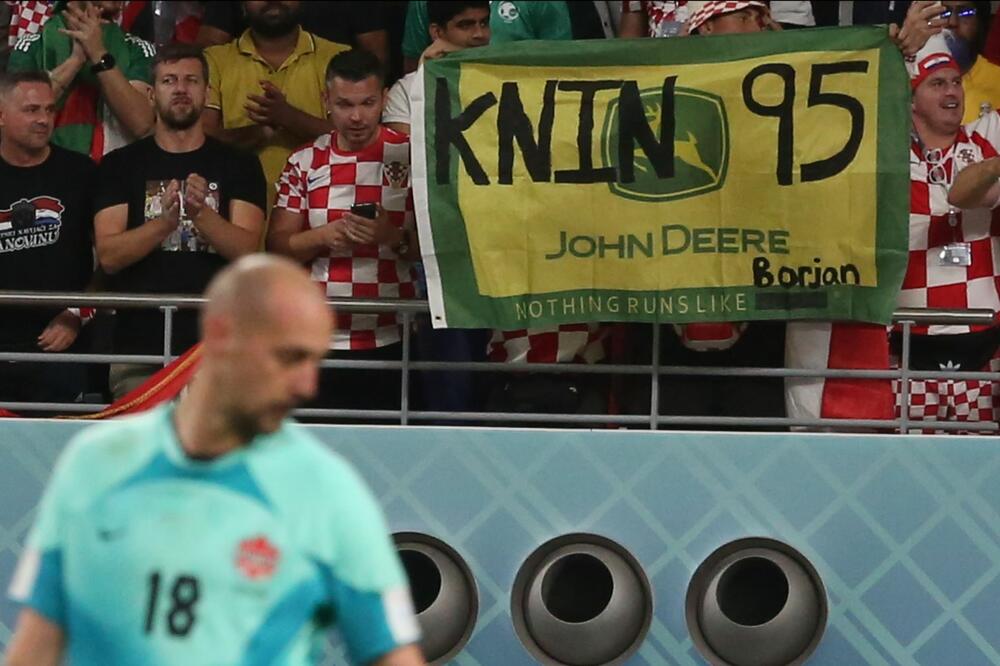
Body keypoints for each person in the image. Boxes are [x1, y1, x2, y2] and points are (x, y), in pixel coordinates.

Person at [3, 254, 426, 666]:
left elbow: (392, 652)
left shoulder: (327, 490)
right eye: (289, 357)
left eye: (315, 360)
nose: (307, 385)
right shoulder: (98, 464)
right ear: (221, 335)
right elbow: (39, 641)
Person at [94, 43, 266, 399]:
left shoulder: (240, 164)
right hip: (138, 348)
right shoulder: (119, 166)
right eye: (169, 80)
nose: (181, 89)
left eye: (191, 80)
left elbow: (248, 252)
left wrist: (202, 214)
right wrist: (165, 222)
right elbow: (109, 256)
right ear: (152, 94)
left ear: (207, 92)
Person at [268, 48, 419, 415]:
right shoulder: (304, 161)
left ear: (384, 99)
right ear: (326, 102)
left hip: (392, 337)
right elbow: (277, 248)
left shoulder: (412, 157)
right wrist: (322, 237)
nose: (356, 116)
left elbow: (438, 252)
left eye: (367, 103)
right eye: (344, 104)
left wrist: (389, 236)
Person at [894, 33, 1000, 428]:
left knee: (982, 460)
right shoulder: (887, 158)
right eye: (937, 83)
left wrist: (990, 165)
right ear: (910, 98)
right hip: (909, 335)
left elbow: (965, 194)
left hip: (984, 332)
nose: (952, 90)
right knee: (913, 460)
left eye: (956, 81)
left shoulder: (986, 143)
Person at [0, 70, 95, 404]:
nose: (43, 120)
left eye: (50, 110)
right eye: (31, 110)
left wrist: (78, 314)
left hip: (61, 344)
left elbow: (110, 259)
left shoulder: (82, 173)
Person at [203, 1, 349, 211]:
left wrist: (288, 117)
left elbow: (353, 138)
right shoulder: (213, 60)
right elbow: (199, 139)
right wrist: (258, 133)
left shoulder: (337, 58)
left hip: (322, 216)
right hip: (236, 217)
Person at [6, 1, 155, 160]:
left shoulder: (138, 49)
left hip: (113, 173)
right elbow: (18, 119)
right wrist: (75, 61)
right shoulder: (32, 45)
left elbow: (141, 124)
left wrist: (98, 53)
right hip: (45, 173)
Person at [383, 1, 490, 135]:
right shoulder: (404, 91)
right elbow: (413, 151)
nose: (479, 34)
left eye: (484, 23)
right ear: (437, 32)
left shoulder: (508, 79)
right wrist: (425, 81)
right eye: (465, 25)